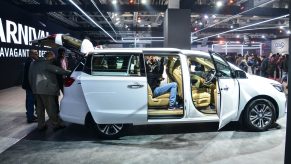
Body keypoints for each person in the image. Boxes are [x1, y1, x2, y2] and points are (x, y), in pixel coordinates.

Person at [29, 51, 71, 131]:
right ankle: (56, 124)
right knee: (51, 108)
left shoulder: (33, 64)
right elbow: (59, 70)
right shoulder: (46, 63)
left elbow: (30, 77)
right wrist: (71, 72)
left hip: (36, 90)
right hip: (46, 90)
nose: (53, 59)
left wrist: (33, 88)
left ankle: (41, 125)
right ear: (49, 57)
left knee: (39, 109)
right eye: (53, 57)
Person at [22, 50, 39, 123]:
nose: (37, 55)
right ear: (31, 54)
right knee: (31, 101)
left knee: (29, 100)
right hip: (30, 85)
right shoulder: (30, 62)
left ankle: (29, 114)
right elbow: (31, 75)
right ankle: (30, 117)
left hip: (29, 84)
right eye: (36, 54)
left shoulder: (29, 61)